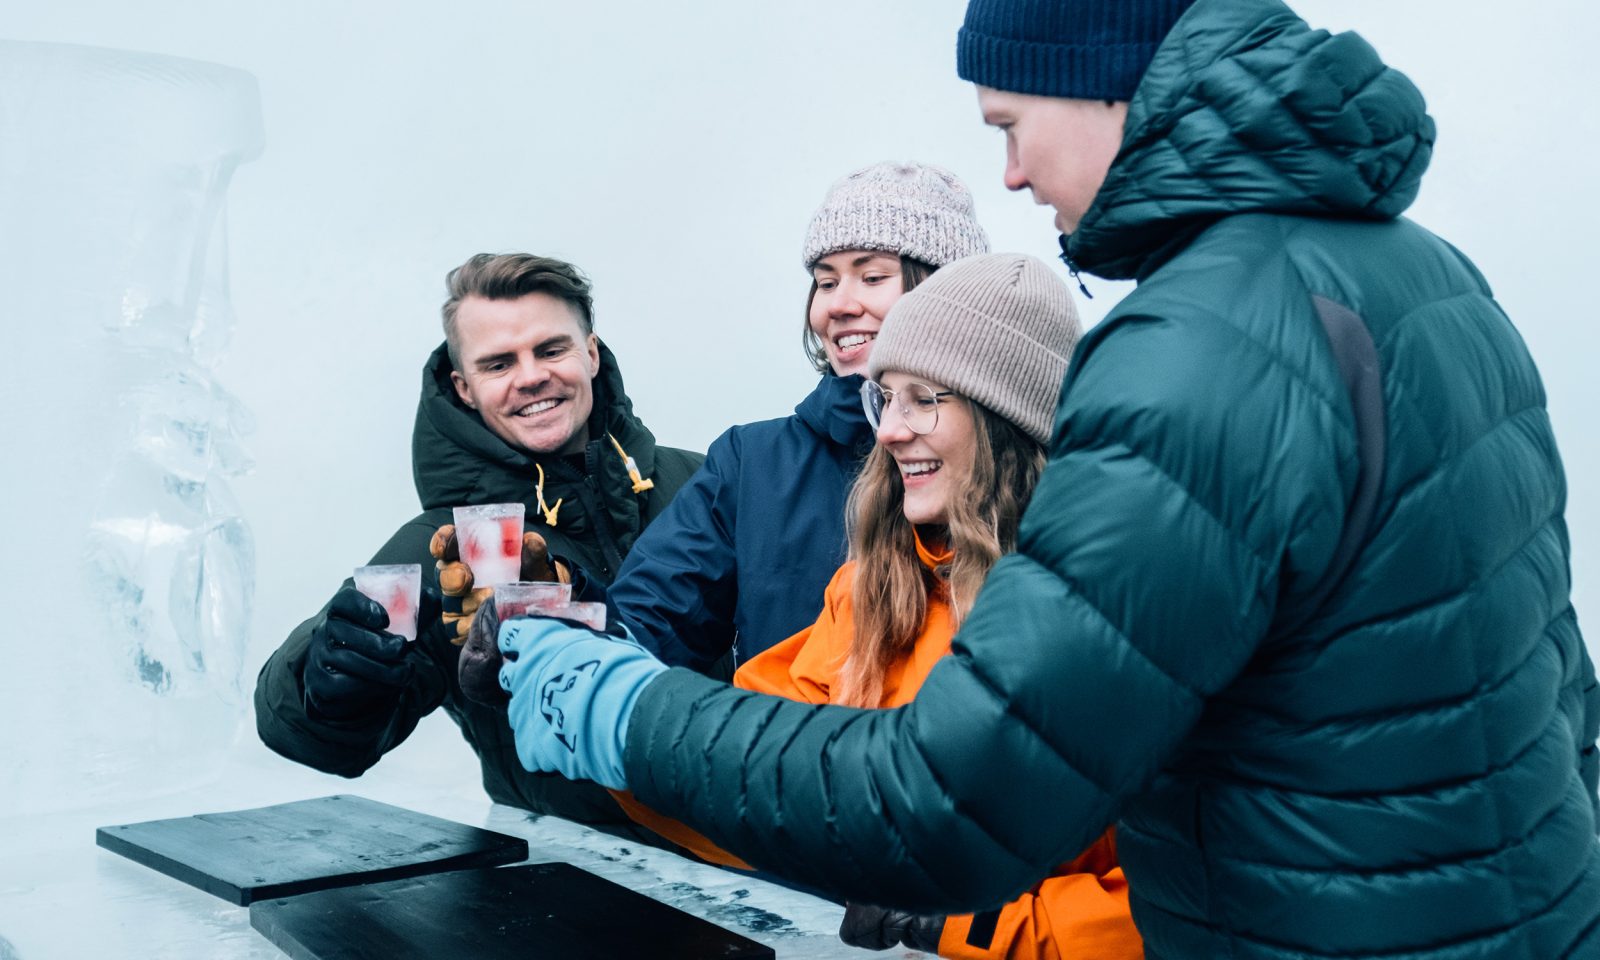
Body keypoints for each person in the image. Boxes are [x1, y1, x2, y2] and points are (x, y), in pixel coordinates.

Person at [492, 2, 1600, 957]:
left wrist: (616, 708)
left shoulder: (1202, 340)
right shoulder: (1428, 277)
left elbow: (951, 797)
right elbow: (1558, 687)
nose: (1012, 173)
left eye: (1011, 126)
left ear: (1108, 88)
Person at [575, 252, 1141, 958]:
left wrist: (968, 921)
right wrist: (598, 715)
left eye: (924, 398)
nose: (890, 430)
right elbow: (751, 776)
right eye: (886, 397)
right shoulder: (871, 593)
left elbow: (1191, 901)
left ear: (1006, 418)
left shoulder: (1120, 612)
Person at [253, 252, 703, 835]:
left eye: (550, 349)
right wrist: (327, 683)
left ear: (591, 353)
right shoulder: (444, 545)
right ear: (464, 388)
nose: (531, 376)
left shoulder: (702, 485)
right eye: (498, 363)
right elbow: (306, 734)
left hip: (779, 842)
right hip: (588, 868)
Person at [605, 161, 990, 673]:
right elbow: (647, 622)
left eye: (872, 276)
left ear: (945, 291)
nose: (838, 305)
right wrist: (550, 633)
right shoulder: (751, 464)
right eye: (825, 283)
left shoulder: (1014, 454)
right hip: (782, 746)